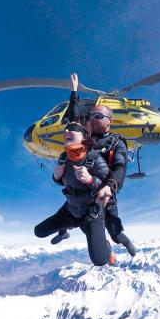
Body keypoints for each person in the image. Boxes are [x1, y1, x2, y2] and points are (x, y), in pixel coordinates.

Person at [51, 73, 137, 257]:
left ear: (109, 121)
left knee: (114, 230)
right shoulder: (85, 137)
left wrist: (110, 185)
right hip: (83, 189)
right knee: (73, 215)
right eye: (91, 115)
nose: (91, 119)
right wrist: (73, 92)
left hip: (104, 191)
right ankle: (65, 232)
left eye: (98, 115)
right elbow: (73, 117)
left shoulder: (116, 143)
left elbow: (120, 167)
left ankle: (123, 241)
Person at [33, 121, 114, 266]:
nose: (66, 132)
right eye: (65, 130)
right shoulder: (64, 157)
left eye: (72, 129)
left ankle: (106, 244)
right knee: (39, 232)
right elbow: (67, 183)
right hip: (71, 209)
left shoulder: (95, 158)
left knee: (100, 260)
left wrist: (90, 180)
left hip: (91, 214)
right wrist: (56, 178)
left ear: (83, 135)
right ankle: (64, 233)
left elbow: (111, 189)